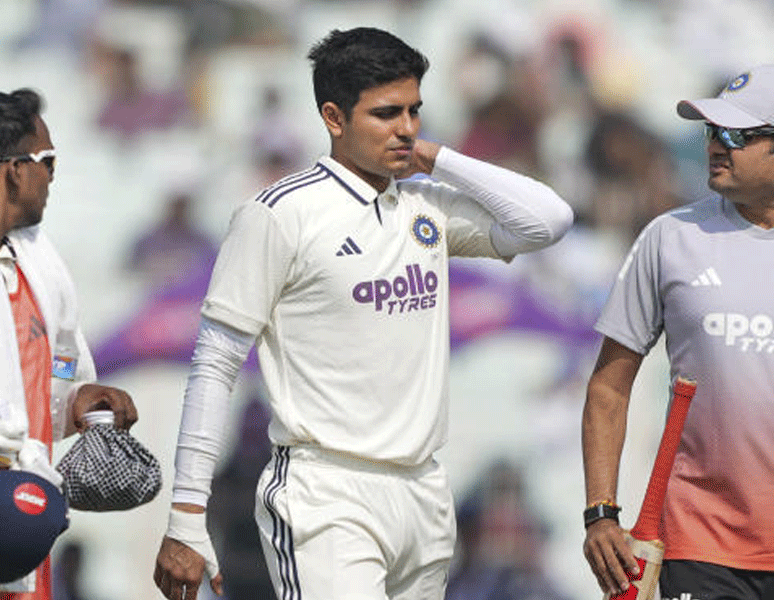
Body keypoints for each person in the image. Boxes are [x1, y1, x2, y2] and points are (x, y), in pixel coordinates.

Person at [153, 27, 573, 600]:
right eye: (385, 113)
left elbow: (547, 220)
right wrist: (185, 516)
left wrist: (437, 158)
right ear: (333, 117)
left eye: (414, 111)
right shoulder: (280, 214)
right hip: (326, 491)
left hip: (424, 490)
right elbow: (215, 362)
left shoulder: (425, 205)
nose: (405, 128)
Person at [582, 63, 774, 600]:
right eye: (713, 132)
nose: (717, 145)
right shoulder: (670, 238)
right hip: (699, 546)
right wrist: (601, 513)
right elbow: (608, 387)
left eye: (737, 135)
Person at [0, 89, 138, 599]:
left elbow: (56, 374)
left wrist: (79, 399)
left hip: (17, 535)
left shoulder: (39, 262)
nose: (53, 177)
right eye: (49, 162)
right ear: (15, 169)